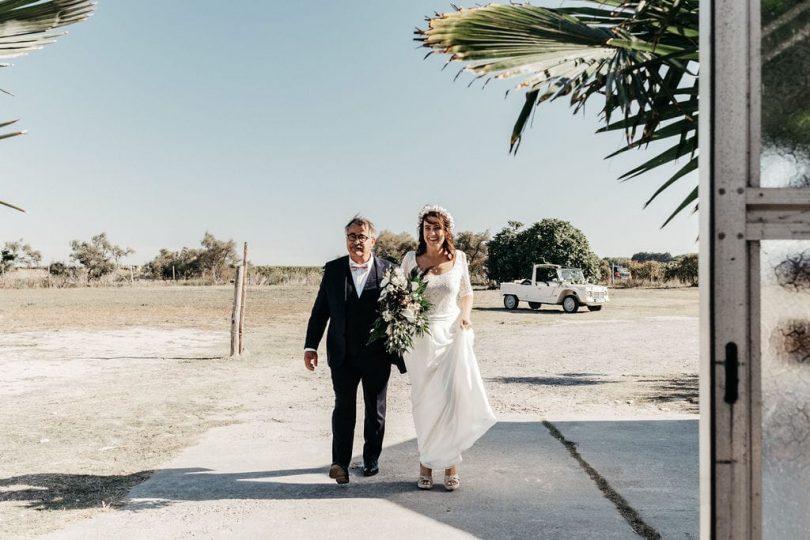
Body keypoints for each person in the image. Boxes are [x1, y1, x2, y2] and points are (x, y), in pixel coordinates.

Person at [400, 205, 496, 491]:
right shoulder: (409, 259)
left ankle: (451, 464)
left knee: (450, 401)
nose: (432, 232)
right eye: (427, 227)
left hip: (451, 335)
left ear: (446, 231)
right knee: (425, 403)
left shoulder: (460, 258)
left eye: (437, 227)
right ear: (422, 231)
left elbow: (466, 294)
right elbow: (399, 296)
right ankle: (426, 463)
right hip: (420, 340)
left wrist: (465, 316)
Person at [304, 215, 406, 485]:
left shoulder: (391, 271)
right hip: (342, 354)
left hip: (377, 355)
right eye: (352, 236)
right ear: (346, 240)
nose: (356, 241)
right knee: (343, 408)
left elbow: (402, 314)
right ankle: (340, 463)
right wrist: (310, 346)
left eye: (362, 236)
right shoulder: (334, 270)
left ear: (373, 240)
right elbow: (320, 312)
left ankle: (371, 458)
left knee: (376, 409)